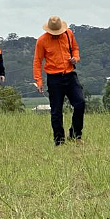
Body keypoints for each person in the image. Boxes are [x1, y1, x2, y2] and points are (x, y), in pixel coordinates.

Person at [33, 16, 85, 146]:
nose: (57, 35)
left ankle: (75, 135)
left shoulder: (69, 34)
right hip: (54, 78)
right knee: (56, 111)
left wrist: (76, 58)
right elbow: (37, 62)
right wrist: (38, 81)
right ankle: (59, 140)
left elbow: (75, 49)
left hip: (70, 75)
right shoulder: (41, 41)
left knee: (80, 103)